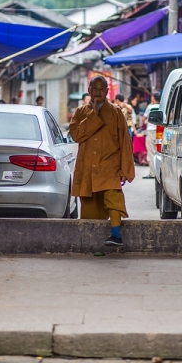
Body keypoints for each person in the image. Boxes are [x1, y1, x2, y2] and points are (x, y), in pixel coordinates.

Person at [70, 76, 135, 247]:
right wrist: (93, 114)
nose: (98, 92)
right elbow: (76, 135)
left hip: (109, 166)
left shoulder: (115, 113)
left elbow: (124, 142)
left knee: (113, 198)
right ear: (89, 91)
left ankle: (116, 234)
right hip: (88, 167)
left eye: (101, 89)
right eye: (94, 89)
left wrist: (125, 169)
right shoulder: (80, 112)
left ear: (107, 91)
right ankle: (93, 243)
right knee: (90, 205)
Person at [142, 91, 161, 179]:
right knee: (159, 152)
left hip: (151, 131)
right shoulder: (162, 106)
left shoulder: (150, 107)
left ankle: (152, 173)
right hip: (160, 131)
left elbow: (144, 119)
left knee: (151, 152)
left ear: (153, 98)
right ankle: (159, 173)